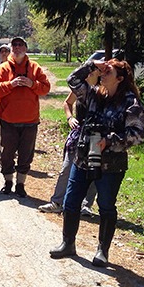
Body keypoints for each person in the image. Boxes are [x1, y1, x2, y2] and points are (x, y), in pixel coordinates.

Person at [49, 59, 144, 266]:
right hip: (83, 157)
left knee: (106, 206)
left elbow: (138, 134)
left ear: (120, 79)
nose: (103, 73)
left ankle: (103, 250)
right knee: (71, 201)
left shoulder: (130, 102)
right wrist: (92, 65)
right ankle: (68, 243)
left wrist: (109, 140)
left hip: (111, 163)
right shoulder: (95, 94)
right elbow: (73, 80)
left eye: (108, 71)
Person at [0, 37, 51, 197]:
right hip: (8, 120)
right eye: (14, 45)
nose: (17, 47)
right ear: (10, 48)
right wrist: (11, 84)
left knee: (26, 155)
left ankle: (21, 184)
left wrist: (32, 84)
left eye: (20, 44)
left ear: (25, 47)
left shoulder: (34, 68)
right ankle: (8, 181)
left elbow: (45, 89)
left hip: (30, 120)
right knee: (7, 154)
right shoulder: (3, 68)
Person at [38, 87, 98, 217]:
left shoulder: (105, 88)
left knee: (94, 169)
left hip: (97, 135)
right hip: (79, 133)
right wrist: (70, 118)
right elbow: (67, 102)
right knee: (66, 168)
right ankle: (57, 202)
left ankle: (86, 205)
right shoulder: (81, 86)